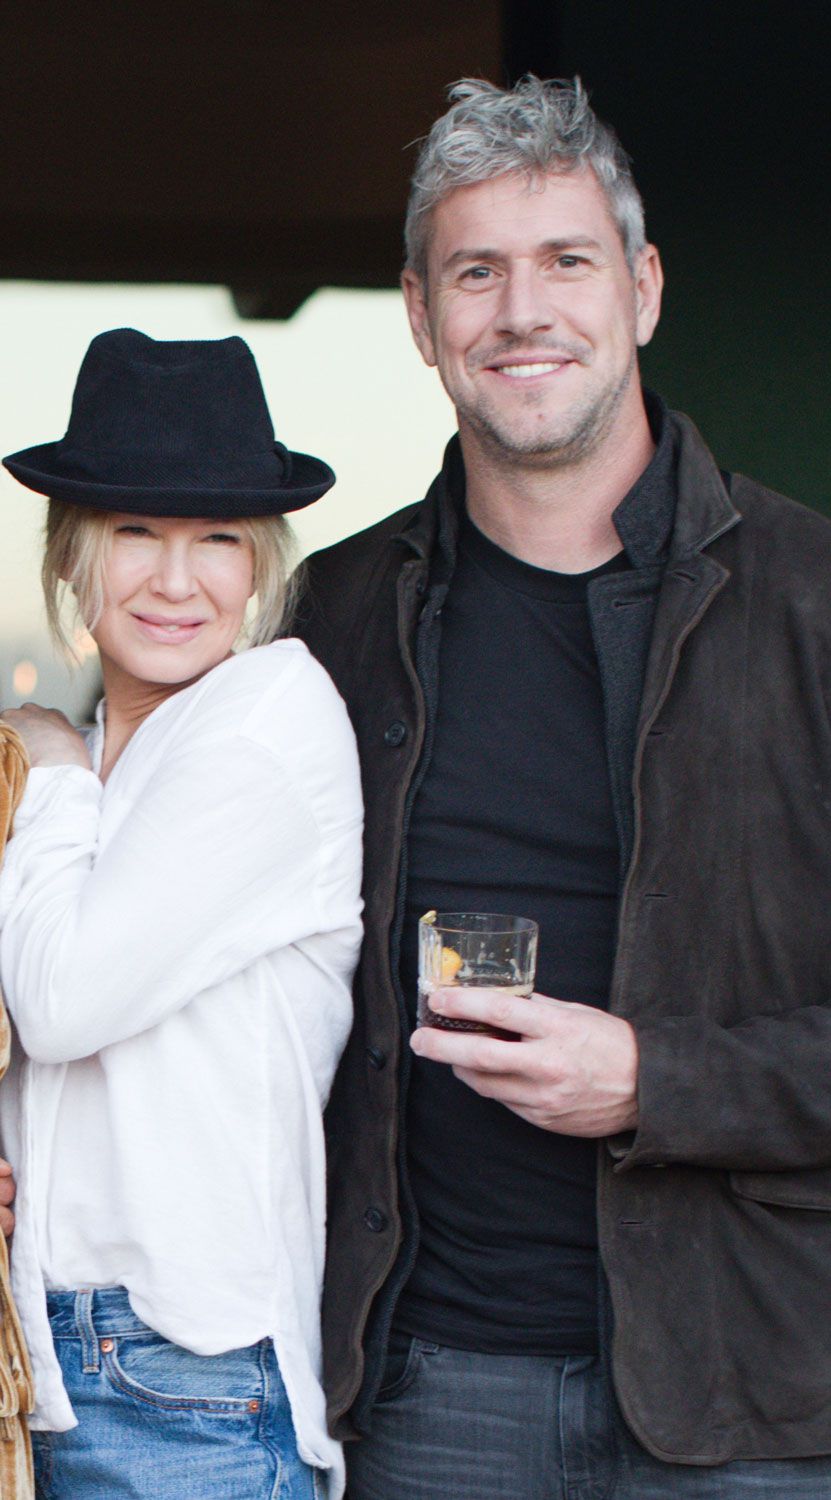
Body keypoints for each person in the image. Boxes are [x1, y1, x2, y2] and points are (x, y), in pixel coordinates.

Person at [295, 77, 831, 1498]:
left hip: (757, 1401)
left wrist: (656, 1080)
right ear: (420, 317)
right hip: (429, 1390)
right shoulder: (336, 616)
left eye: (564, 262)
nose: (519, 310)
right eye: (476, 271)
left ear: (641, 291)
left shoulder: (811, 601)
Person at [0, 328, 363, 1499]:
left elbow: (59, 1004)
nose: (174, 579)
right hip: (41, 1369)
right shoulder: (100, 754)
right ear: (72, 557)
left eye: (216, 539)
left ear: (258, 565)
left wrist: (45, 759)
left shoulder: (269, 721)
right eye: (136, 533)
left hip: (188, 1388)